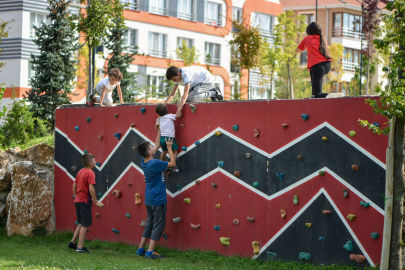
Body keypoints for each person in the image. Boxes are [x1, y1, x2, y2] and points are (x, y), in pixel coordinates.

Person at [135, 132, 176, 259]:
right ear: (150, 153)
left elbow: (156, 145)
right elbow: (173, 164)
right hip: (158, 199)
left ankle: (141, 248)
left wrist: (158, 130)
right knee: (158, 224)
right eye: (152, 147)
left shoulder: (144, 161)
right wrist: (169, 148)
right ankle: (150, 251)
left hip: (149, 198)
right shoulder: (155, 163)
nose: (154, 147)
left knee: (150, 222)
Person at [67, 153, 104, 253]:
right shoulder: (90, 173)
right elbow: (91, 189)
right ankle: (80, 247)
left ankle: (72, 242)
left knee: (81, 222)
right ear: (91, 163)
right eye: (95, 161)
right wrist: (96, 202)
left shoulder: (80, 171)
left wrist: (76, 196)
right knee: (85, 225)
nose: (96, 162)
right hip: (84, 201)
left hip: (78, 200)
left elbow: (74, 185)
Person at [296, 22, 332, 98]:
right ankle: (313, 95)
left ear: (309, 32)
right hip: (327, 65)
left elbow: (297, 51)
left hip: (318, 66)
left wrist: (306, 46)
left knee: (318, 94)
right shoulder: (323, 38)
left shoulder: (307, 39)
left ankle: (332, 96)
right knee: (312, 70)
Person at [155, 103, 179, 173]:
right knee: (175, 151)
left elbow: (156, 126)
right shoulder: (170, 116)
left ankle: (162, 165)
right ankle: (173, 166)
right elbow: (178, 116)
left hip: (162, 138)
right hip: (170, 138)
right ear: (167, 110)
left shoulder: (159, 119)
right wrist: (179, 108)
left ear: (158, 114)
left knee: (164, 151)